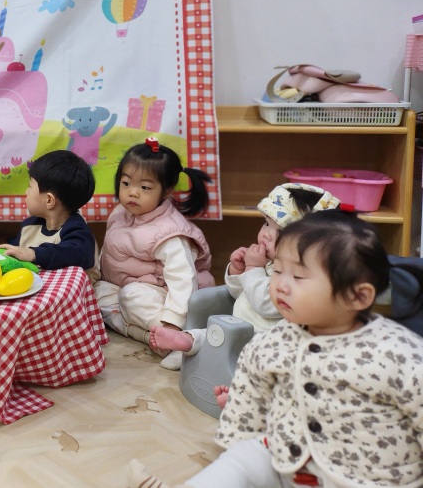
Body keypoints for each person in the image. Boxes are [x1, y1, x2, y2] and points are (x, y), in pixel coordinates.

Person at [128, 211, 423, 488]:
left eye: (298, 276)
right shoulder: (272, 340)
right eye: (278, 270)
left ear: (357, 296)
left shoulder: (398, 353)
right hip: (286, 458)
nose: (280, 285)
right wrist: (240, 428)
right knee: (242, 459)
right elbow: (250, 396)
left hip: (364, 477)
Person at [148, 182, 340, 371]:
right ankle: (187, 344)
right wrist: (237, 271)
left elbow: (266, 304)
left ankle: (193, 348)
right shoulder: (269, 262)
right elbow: (238, 293)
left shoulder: (300, 279)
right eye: (266, 223)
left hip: (264, 340)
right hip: (238, 325)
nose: (266, 234)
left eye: (280, 231)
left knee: (219, 338)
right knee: (213, 333)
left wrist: (253, 269)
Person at [94, 136, 213, 368]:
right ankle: (148, 336)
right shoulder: (120, 214)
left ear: (166, 191)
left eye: (145, 187)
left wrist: (173, 323)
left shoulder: (170, 233)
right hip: (127, 286)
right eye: (126, 183)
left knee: (131, 297)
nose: (133, 193)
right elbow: (110, 252)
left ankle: (179, 339)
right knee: (95, 294)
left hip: (167, 297)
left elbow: (183, 283)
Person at [0, 149, 96, 270]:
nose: (26, 192)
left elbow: (79, 255)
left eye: (30, 187)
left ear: (49, 200)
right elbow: (16, 254)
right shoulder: (29, 226)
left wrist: (34, 254)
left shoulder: (77, 230)